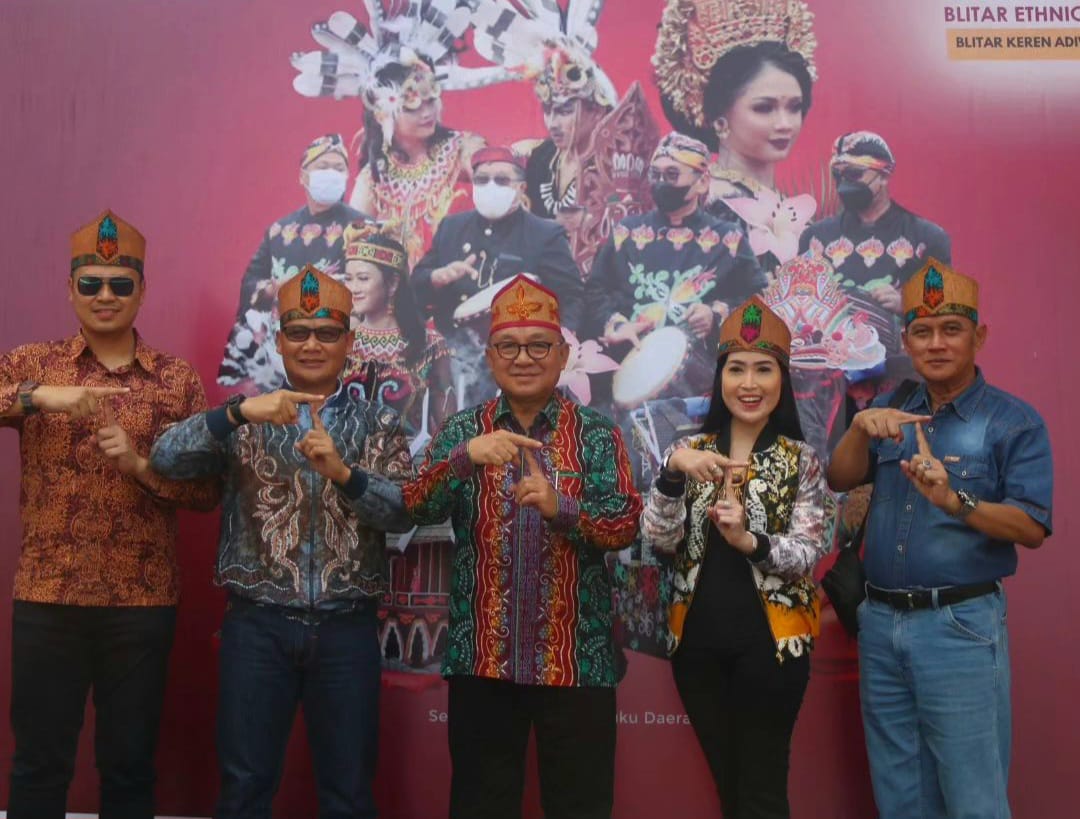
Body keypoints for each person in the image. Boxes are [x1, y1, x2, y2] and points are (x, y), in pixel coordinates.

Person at [151, 265, 414, 819]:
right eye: (298, 332)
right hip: (257, 628)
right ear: (279, 340)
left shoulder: (379, 423)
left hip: (347, 629)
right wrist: (236, 411)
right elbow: (166, 459)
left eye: (326, 333)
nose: (312, 344)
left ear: (348, 341)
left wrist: (346, 475)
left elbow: (403, 512)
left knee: (349, 794)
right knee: (244, 790)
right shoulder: (247, 416)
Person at [0, 210, 219, 819]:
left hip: (139, 602)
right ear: (70, 289)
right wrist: (42, 397)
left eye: (120, 284)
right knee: (39, 766)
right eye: (90, 283)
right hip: (49, 595)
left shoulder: (174, 380)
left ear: (141, 291)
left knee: (129, 770)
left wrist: (140, 466)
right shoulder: (33, 365)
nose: (104, 295)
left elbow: (207, 492)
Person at [404, 275, 642, 819]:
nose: (524, 358)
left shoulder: (598, 434)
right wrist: (465, 458)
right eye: (508, 346)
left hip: (577, 660)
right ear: (490, 357)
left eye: (539, 345)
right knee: (480, 806)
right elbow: (415, 506)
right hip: (483, 659)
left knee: (580, 808)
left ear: (562, 355)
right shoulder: (463, 430)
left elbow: (625, 525)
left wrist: (564, 509)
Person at [826, 259, 1053, 819]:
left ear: (979, 336)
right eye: (922, 332)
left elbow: (1031, 527)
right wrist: (859, 427)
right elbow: (840, 478)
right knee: (900, 797)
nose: (936, 344)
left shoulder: (1013, 422)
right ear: (906, 342)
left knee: (974, 799)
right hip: (880, 625)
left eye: (951, 330)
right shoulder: (892, 411)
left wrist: (957, 502)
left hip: (959, 627)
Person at [641, 295, 828, 819]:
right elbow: (659, 539)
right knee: (730, 789)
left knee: (761, 794)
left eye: (763, 369)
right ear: (720, 377)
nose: (749, 383)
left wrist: (749, 541)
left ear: (782, 379)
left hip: (773, 646)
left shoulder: (801, 460)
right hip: (696, 646)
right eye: (736, 369)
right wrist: (672, 473)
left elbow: (807, 552)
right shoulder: (687, 450)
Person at [291, 5, 505, 266]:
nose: (427, 113)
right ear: (384, 113)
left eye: (431, 101)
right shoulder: (375, 179)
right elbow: (353, 251)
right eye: (412, 106)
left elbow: (498, 179)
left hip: (465, 281)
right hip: (399, 289)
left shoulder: (461, 148)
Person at [412, 146, 584, 406]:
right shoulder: (451, 227)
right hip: (455, 358)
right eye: (482, 180)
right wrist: (437, 277)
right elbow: (417, 284)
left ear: (521, 188)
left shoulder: (544, 234)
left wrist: (561, 342)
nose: (490, 186)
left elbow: (572, 297)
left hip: (519, 361)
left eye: (502, 180)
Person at [585, 132, 765, 379]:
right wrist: (617, 325)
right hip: (631, 370)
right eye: (655, 175)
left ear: (702, 182)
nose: (661, 183)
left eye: (671, 175)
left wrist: (715, 316)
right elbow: (594, 292)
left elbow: (759, 303)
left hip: (704, 378)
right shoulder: (626, 233)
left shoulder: (729, 239)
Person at [654, 0, 818, 268]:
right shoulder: (715, 205)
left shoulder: (779, 203)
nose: (785, 123)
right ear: (719, 121)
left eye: (794, 107)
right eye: (764, 108)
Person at [218, 133, 365, 393]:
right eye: (323, 167)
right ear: (303, 176)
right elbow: (250, 282)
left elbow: (375, 284)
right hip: (284, 335)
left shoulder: (363, 227)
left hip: (339, 333)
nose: (331, 174)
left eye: (338, 168)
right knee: (247, 333)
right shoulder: (279, 231)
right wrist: (273, 288)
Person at [800, 131, 952, 359]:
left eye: (855, 174)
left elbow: (947, 315)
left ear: (883, 175)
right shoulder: (815, 237)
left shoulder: (926, 237)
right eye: (838, 175)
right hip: (830, 367)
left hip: (900, 370)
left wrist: (907, 305)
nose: (844, 184)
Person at [338, 220, 454, 440]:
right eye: (348, 279)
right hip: (345, 458)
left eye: (363, 279)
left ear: (392, 284)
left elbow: (449, 428)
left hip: (408, 458)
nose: (353, 288)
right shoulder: (339, 342)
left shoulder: (429, 344)